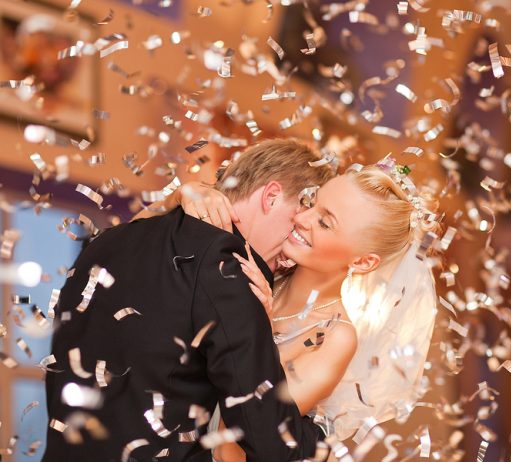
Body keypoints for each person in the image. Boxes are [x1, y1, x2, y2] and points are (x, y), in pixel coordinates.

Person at [43, 139, 334, 462]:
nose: (293, 250)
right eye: (298, 224)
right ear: (271, 196)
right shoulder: (227, 268)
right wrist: (325, 437)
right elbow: (270, 439)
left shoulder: (110, 240)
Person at [173, 158, 439, 462]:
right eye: (311, 202)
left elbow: (232, 445)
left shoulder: (334, 338)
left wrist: (256, 325)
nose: (302, 218)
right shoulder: (268, 266)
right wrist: (188, 192)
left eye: (325, 222)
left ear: (363, 262)